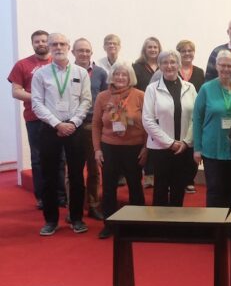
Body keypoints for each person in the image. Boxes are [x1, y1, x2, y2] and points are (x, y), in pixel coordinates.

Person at [30, 33, 92, 236]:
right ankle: (51, 220)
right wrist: (57, 124)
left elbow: (86, 100)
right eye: (54, 44)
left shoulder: (81, 72)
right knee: (49, 176)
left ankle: (76, 219)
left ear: (68, 47)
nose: (58, 47)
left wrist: (73, 123)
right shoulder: (41, 74)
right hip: (50, 129)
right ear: (49, 47)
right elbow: (37, 103)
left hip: (75, 129)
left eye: (62, 44)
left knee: (76, 175)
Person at [7, 30, 66, 209]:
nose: (40, 44)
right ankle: (42, 197)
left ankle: (61, 196)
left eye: (43, 41)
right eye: (37, 41)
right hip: (34, 118)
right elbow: (16, 91)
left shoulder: (58, 63)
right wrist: (39, 98)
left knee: (60, 158)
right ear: (32, 44)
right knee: (38, 158)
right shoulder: (22, 65)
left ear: (49, 43)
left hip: (58, 118)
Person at [92, 62, 147, 238]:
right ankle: (109, 224)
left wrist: (146, 148)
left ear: (130, 77)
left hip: (134, 147)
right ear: (112, 76)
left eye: (124, 75)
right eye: (117, 74)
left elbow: (147, 124)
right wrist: (97, 150)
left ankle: (138, 223)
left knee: (135, 186)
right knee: (108, 187)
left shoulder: (140, 96)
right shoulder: (102, 97)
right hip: (109, 148)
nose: (120, 78)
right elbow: (96, 125)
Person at [142, 50, 197, 206]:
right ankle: (159, 226)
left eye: (173, 62)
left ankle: (176, 225)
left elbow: (196, 118)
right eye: (165, 62)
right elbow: (148, 120)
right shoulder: (152, 89)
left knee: (178, 188)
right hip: (161, 148)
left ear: (179, 64)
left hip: (184, 148)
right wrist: (170, 143)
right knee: (160, 188)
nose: (169, 66)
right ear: (159, 65)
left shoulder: (190, 87)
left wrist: (185, 142)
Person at [193, 51, 231, 208]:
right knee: (215, 190)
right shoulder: (206, 89)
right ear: (216, 66)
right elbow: (197, 119)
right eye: (222, 65)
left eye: (230, 66)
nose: (226, 69)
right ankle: (215, 229)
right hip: (211, 148)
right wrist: (197, 148)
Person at [72, 38, 109, 220]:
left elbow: (106, 99)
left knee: (94, 170)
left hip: (91, 126)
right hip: (71, 126)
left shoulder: (101, 73)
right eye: (80, 51)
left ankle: (93, 205)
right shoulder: (67, 72)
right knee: (72, 170)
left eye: (87, 50)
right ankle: (75, 207)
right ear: (73, 53)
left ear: (92, 52)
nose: (84, 54)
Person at [176, 39, 205, 194]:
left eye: (190, 51)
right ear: (179, 53)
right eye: (183, 51)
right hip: (177, 115)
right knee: (178, 145)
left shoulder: (200, 72)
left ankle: (189, 180)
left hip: (195, 114)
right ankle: (176, 179)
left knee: (192, 145)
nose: (187, 53)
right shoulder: (174, 70)